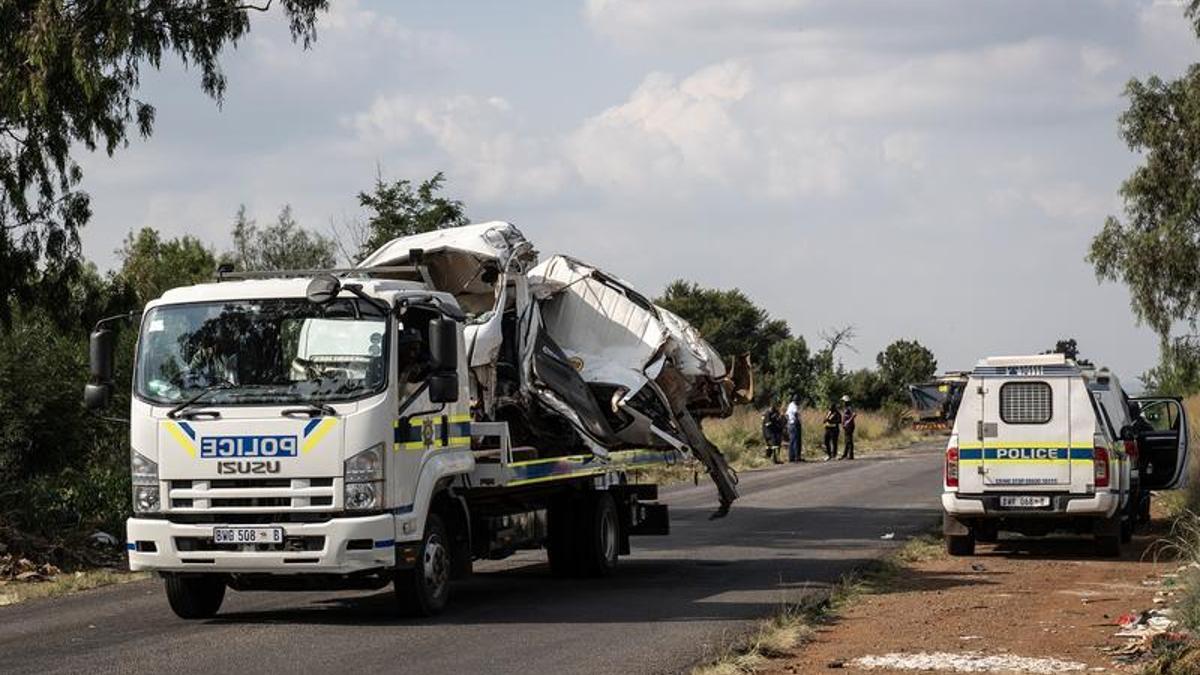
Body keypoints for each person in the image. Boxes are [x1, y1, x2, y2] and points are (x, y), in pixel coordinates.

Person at [786, 396, 804, 462]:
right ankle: (797, 457)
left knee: (792, 441)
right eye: (799, 401)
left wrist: (788, 422)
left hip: (790, 424)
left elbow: (787, 415)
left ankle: (791, 457)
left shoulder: (790, 405)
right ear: (796, 401)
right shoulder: (794, 406)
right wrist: (798, 421)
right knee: (796, 441)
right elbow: (796, 414)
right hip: (794, 425)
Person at [840, 395, 857, 460]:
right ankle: (845, 454)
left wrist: (848, 421)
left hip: (849, 426)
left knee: (849, 440)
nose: (842, 403)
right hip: (846, 426)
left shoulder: (849, 407)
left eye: (843, 401)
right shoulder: (846, 408)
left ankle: (851, 455)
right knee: (846, 440)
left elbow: (854, 414)